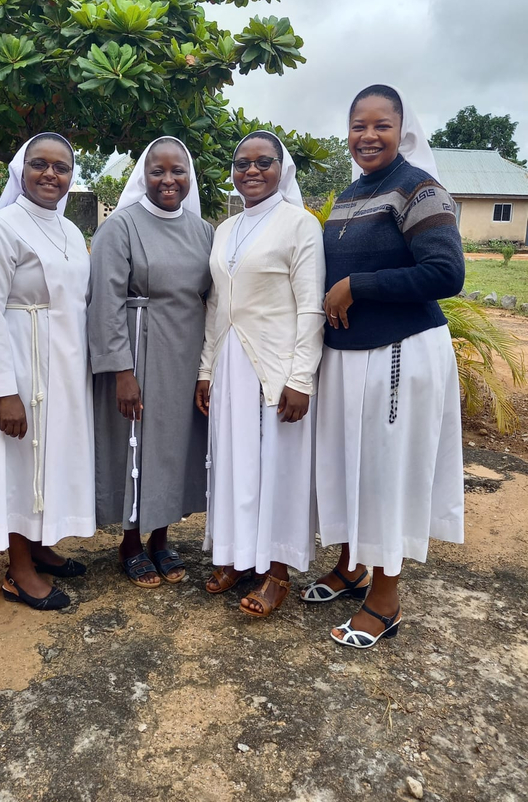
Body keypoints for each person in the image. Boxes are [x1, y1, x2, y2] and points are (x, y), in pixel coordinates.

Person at [301, 84, 465, 649]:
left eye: (381, 126)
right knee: (351, 466)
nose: (368, 136)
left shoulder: (420, 189)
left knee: (387, 472)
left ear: (402, 131)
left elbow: (446, 274)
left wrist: (357, 285)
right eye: (358, 126)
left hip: (400, 354)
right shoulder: (348, 196)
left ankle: (386, 599)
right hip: (347, 359)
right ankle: (350, 566)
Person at [195, 131, 325, 618]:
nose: (251, 170)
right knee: (233, 463)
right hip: (230, 363)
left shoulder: (300, 225)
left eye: (263, 162)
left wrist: (301, 378)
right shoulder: (225, 229)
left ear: (281, 168)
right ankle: (235, 555)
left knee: (276, 466)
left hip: (276, 366)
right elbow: (216, 305)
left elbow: (311, 307)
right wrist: (206, 369)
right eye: (241, 162)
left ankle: (277, 571)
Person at [0, 133, 95, 611]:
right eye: (40, 164)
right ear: (21, 169)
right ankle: (18, 569)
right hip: (19, 364)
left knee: (51, 457)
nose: (50, 174)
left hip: (61, 364)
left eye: (61, 167)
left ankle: (40, 546)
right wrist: (5, 392)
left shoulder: (70, 231)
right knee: (20, 462)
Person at [89, 137, 213, 587]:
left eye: (177, 171)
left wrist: (207, 367)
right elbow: (103, 301)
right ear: (143, 175)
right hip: (137, 350)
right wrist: (122, 370)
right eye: (157, 171)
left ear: (189, 176)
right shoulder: (120, 227)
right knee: (134, 441)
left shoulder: (203, 231)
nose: (168, 180)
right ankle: (129, 541)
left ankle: (160, 537)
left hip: (185, 350)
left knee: (173, 444)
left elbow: (212, 298)